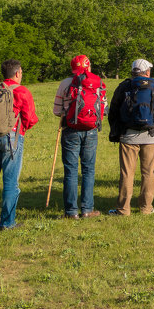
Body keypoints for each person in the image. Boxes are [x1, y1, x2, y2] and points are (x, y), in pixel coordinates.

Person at [0, 59, 38, 231]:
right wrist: (22, 129)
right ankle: (7, 223)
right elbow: (30, 118)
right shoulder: (22, 91)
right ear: (18, 73)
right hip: (12, 138)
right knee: (11, 183)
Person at [107, 58, 154, 216]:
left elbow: (113, 111)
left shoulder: (124, 86)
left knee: (127, 173)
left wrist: (116, 132)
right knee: (149, 173)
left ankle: (123, 209)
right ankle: (146, 208)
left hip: (128, 136)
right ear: (147, 72)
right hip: (152, 135)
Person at [53, 55, 107, 219]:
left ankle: (71, 212)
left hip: (70, 130)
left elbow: (57, 111)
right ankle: (87, 210)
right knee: (88, 170)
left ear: (72, 68)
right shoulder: (98, 83)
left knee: (70, 171)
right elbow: (103, 108)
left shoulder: (65, 83)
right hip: (91, 130)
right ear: (89, 67)